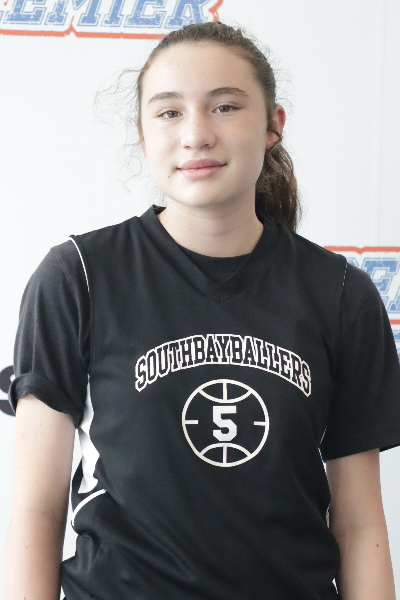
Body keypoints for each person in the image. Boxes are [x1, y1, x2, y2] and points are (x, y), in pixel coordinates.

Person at [5, 20, 400, 600]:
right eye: (169, 112)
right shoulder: (78, 277)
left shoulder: (340, 293)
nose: (195, 135)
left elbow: (360, 523)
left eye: (225, 107)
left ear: (273, 125)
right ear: (142, 134)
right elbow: (36, 511)